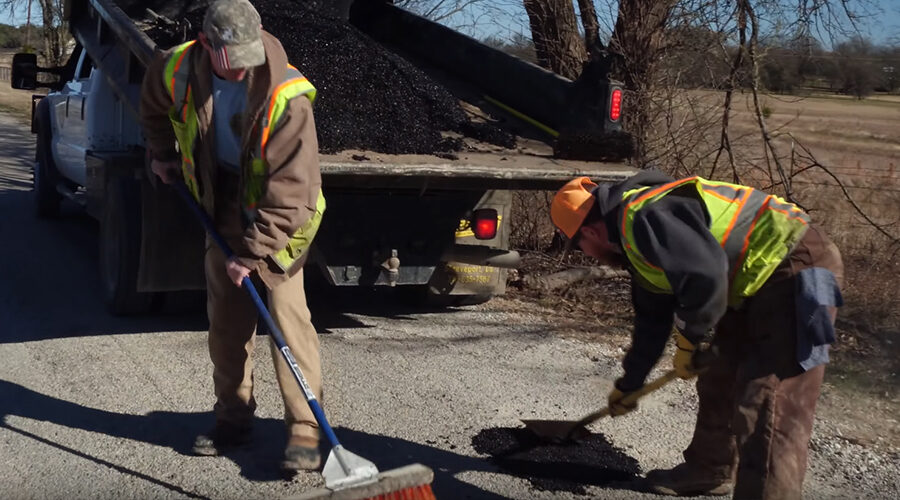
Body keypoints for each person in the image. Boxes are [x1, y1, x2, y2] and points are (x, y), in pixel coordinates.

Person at [550, 171, 843, 499]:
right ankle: (709, 469)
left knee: (767, 401)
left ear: (589, 231)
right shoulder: (634, 244)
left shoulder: (647, 216)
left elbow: (705, 276)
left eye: (581, 247)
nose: (587, 254)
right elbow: (651, 323)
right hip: (748, 283)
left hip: (794, 264)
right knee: (719, 376)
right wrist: (629, 384)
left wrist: (691, 339)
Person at [140, 0, 327, 473]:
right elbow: (153, 107)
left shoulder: (288, 96)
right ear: (206, 44)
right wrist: (161, 152)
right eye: (232, 56)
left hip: (282, 217)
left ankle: (305, 430)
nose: (245, 65)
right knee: (226, 322)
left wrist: (252, 253)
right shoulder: (176, 68)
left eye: (250, 50)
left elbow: (293, 192)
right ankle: (233, 418)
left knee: (287, 318)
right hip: (220, 202)